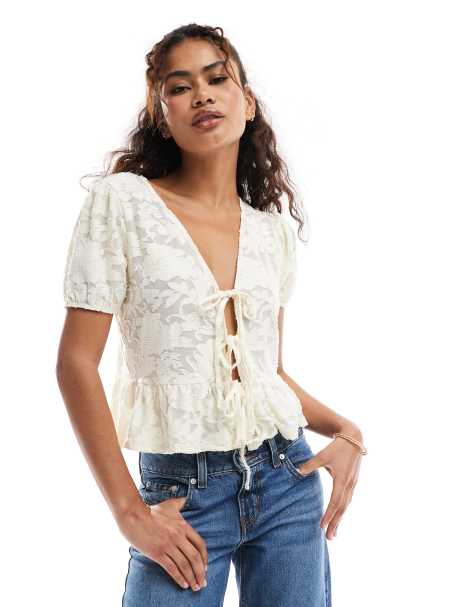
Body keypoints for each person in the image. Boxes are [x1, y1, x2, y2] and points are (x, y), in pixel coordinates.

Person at [56, 23, 366, 607]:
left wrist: (347, 432)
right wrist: (129, 512)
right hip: (182, 493)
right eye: (180, 87)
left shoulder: (272, 232)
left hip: (286, 479)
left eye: (217, 79)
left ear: (247, 103)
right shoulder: (123, 203)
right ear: (162, 115)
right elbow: (75, 362)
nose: (201, 94)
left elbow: (265, 376)